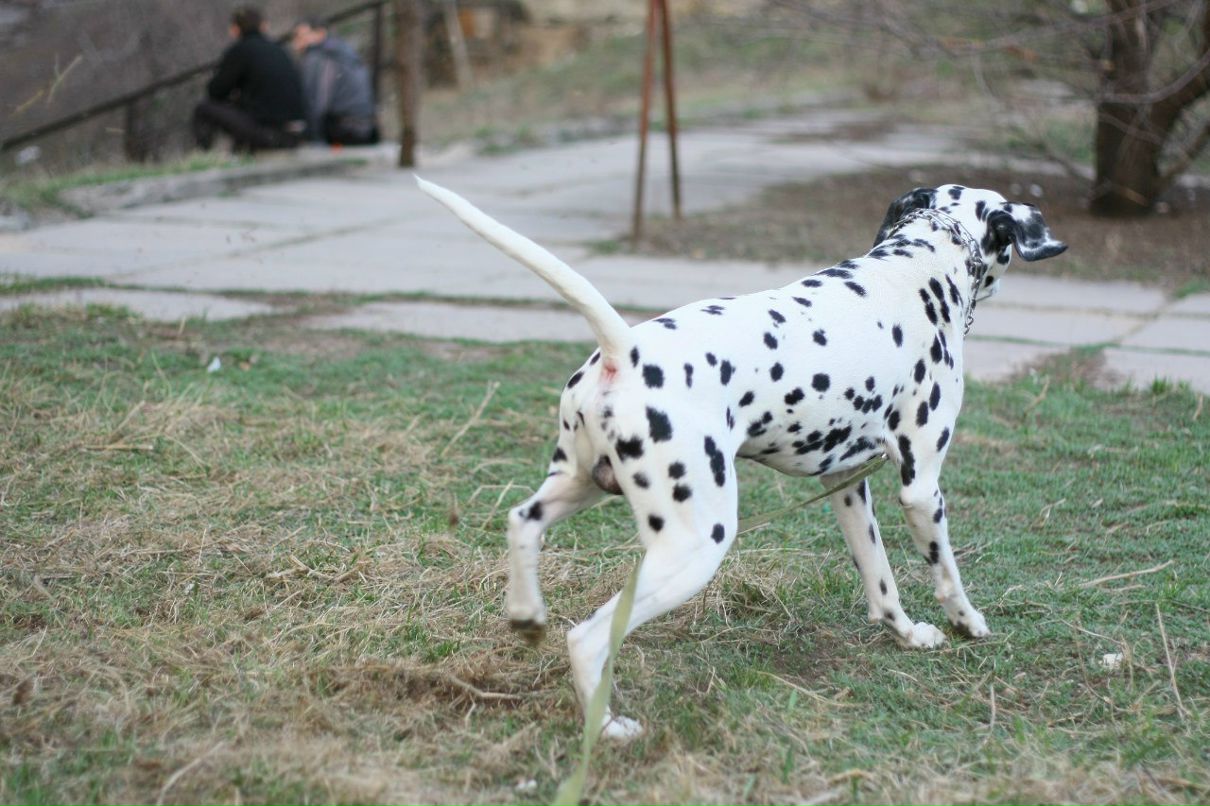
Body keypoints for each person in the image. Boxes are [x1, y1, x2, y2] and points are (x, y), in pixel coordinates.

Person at [193, 7, 307, 153]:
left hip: (269, 133)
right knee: (246, 110)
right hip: (297, 132)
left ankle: (204, 155)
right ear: (263, 26)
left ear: (234, 30)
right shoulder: (279, 49)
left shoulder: (239, 50)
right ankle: (242, 151)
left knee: (203, 109)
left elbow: (215, 92)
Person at [291, 18, 380, 146]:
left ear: (320, 33)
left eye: (300, 36)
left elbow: (316, 102)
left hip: (343, 129)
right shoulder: (344, 50)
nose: (295, 43)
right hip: (367, 127)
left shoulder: (318, 56)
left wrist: (313, 138)